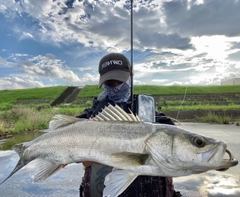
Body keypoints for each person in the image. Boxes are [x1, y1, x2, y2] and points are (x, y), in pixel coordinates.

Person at [77, 53, 181, 197]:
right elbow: (81, 158)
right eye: (109, 83)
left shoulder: (151, 113)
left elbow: (177, 144)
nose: (115, 87)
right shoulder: (91, 115)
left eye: (119, 81)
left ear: (131, 76)